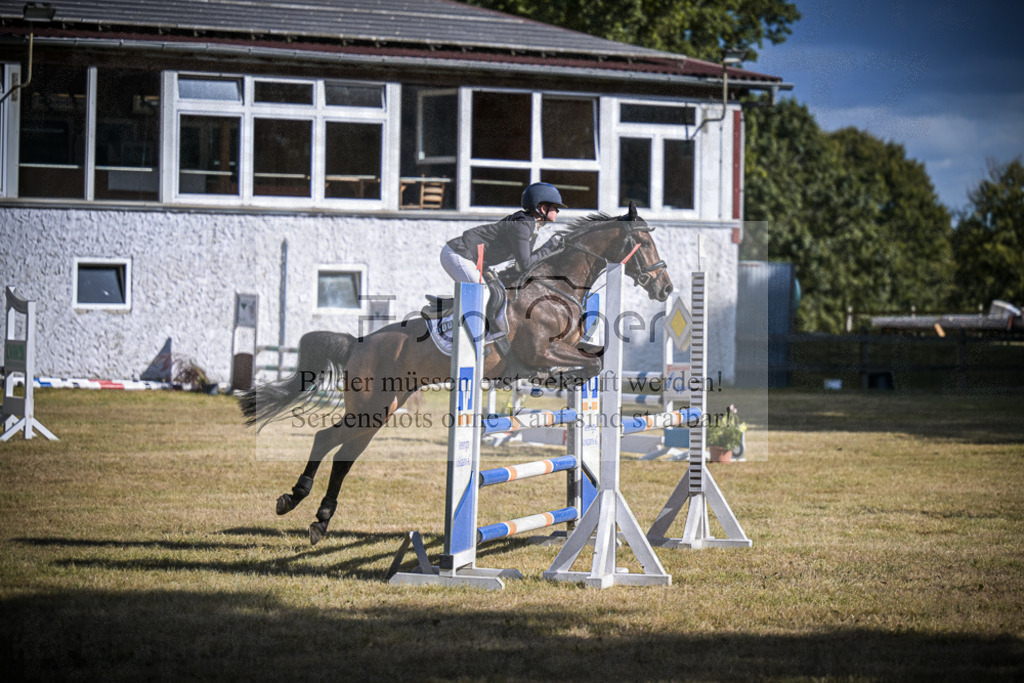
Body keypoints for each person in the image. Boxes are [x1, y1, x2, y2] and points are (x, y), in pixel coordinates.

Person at [440, 182, 567, 290]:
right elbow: (525, 265)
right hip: (459, 253)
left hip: (472, 259)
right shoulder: (522, 225)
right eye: (555, 207)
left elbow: (521, 265)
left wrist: (550, 250)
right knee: (481, 295)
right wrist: (548, 248)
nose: (558, 211)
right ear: (543, 209)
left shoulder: (530, 226)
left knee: (496, 293)